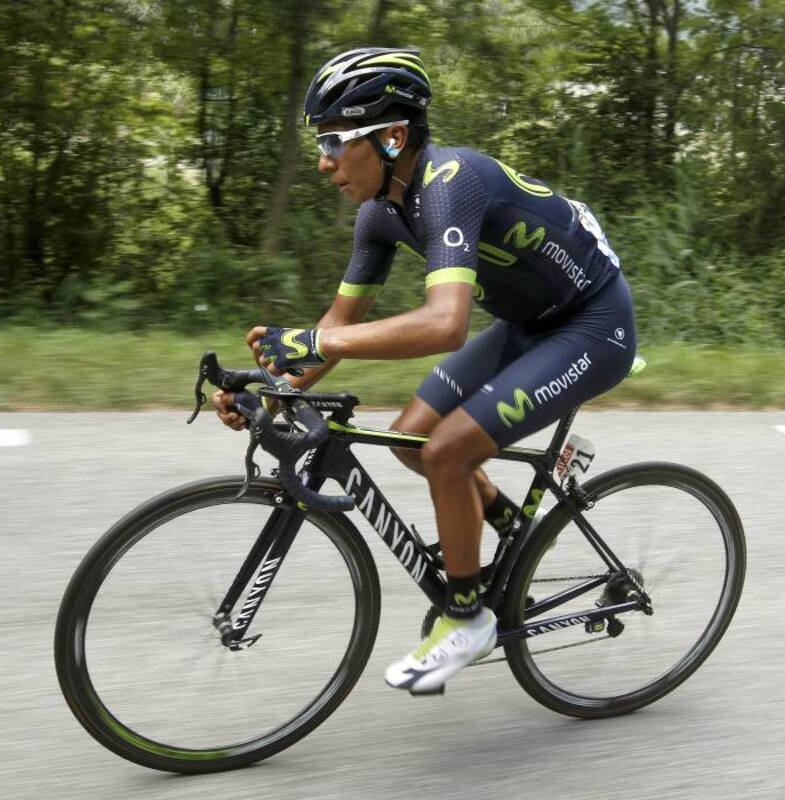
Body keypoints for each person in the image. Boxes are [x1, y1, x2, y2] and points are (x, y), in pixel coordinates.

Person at [211, 47, 637, 695]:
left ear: (392, 136)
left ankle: (467, 619)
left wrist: (315, 341)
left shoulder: (452, 182)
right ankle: (507, 522)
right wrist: (271, 388)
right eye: (318, 143)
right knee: (414, 439)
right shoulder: (379, 215)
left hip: (592, 325)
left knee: (447, 452)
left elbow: (445, 324)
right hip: (528, 324)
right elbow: (335, 332)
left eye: (333, 141)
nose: (323, 162)